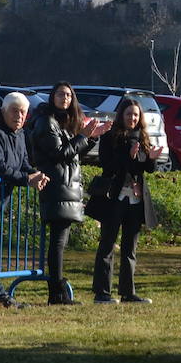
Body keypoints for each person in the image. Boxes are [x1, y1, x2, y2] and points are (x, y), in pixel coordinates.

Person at [30, 82, 110, 306]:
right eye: (60, 94)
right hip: (56, 186)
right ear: (52, 97)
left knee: (60, 241)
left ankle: (59, 290)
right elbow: (59, 154)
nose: (65, 98)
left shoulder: (63, 123)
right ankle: (56, 292)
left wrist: (92, 137)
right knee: (57, 242)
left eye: (68, 95)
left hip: (67, 187)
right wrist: (83, 135)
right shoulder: (47, 122)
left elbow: (74, 154)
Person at [90, 99, 163, 304]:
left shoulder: (142, 136)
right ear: (121, 115)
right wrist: (128, 156)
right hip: (114, 196)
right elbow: (107, 164)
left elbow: (147, 169)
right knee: (107, 244)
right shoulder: (110, 136)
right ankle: (102, 292)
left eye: (136, 115)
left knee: (130, 247)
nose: (132, 118)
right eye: (129, 114)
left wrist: (152, 159)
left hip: (135, 198)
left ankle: (128, 292)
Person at [0, 92, 48, 308]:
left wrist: (36, 175)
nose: (19, 116)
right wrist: (26, 179)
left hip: (1, 199)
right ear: (4, 111)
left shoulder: (20, 134)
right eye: (15, 111)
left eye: (23, 112)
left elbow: (23, 163)